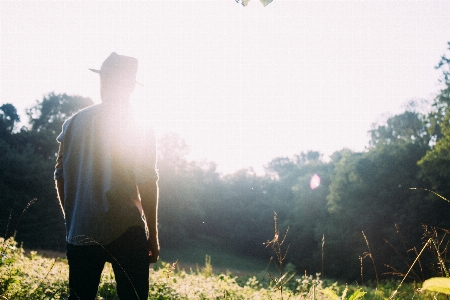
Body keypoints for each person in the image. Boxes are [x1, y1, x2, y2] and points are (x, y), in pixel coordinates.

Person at [54, 52, 159, 299]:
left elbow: (59, 176)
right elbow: (147, 182)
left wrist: (72, 220)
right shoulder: (139, 124)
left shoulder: (73, 123)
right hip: (127, 229)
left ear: (105, 81)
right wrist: (152, 236)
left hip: (81, 230)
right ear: (131, 86)